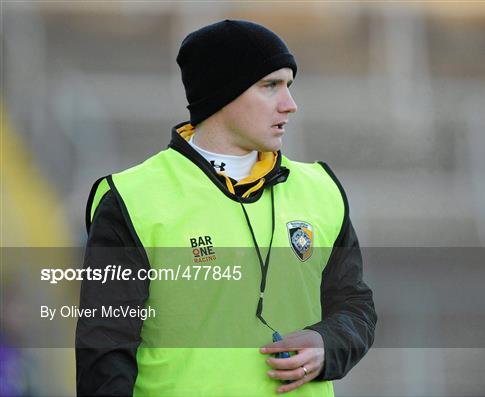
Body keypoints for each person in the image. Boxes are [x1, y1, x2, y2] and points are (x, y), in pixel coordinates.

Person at [76, 19, 376, 396]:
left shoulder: (321, 189)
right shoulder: (131, 198)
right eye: (270, 86)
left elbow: (355, 306)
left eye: (289, 86)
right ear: (223, 93)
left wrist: (327, 345)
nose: (290, 104)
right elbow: (104, 353)